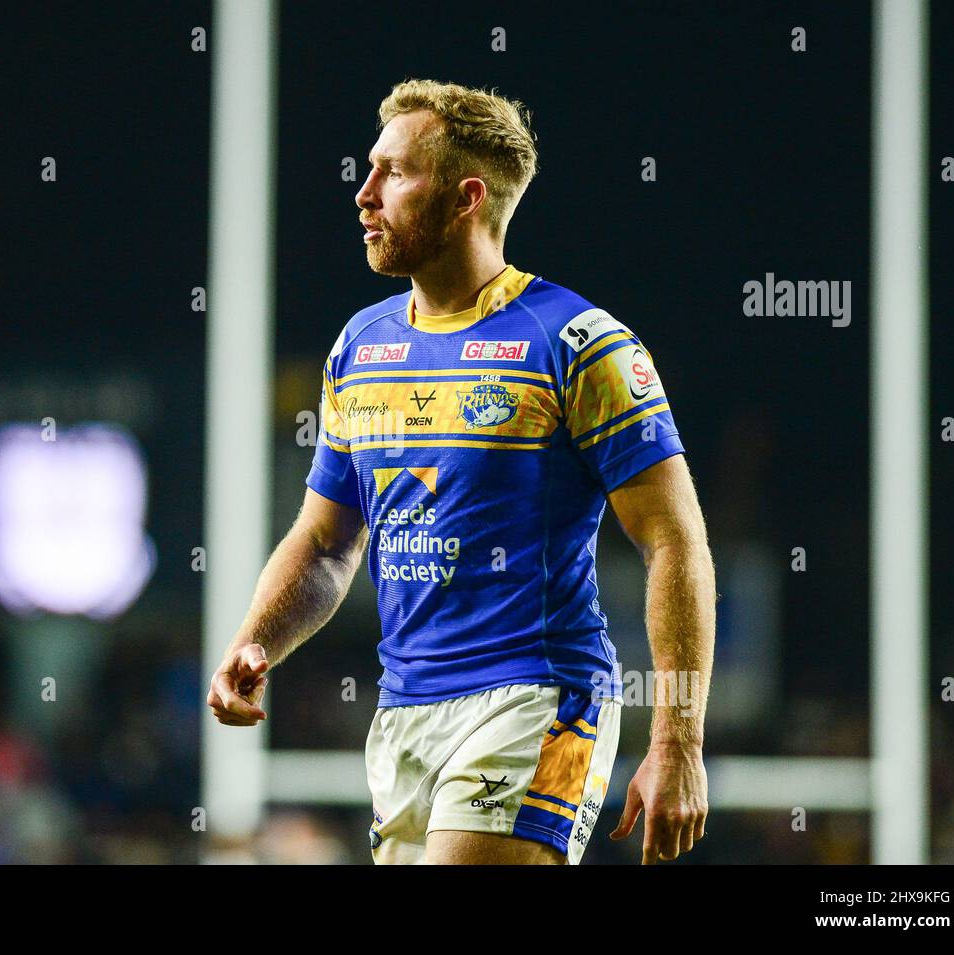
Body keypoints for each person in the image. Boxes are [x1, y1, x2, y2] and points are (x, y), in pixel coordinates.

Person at [207, 79, 715, 865]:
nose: (364, 193)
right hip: (404, 712)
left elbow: (676, 542)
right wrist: (255, 640)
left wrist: (678, 741)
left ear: (464, 198)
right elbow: (324, 542)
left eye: (394, 174)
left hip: (540, 698)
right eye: (369, 169)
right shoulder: (360, 347)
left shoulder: (579, 343)